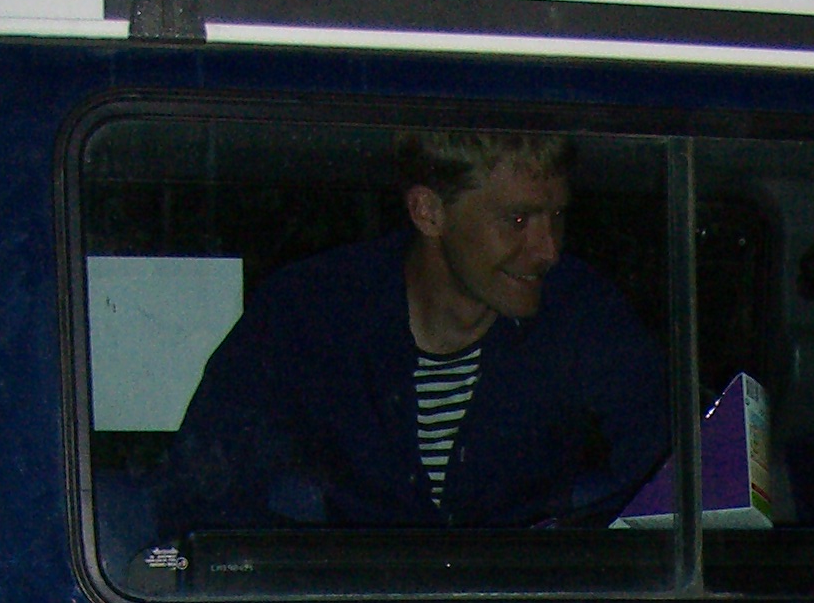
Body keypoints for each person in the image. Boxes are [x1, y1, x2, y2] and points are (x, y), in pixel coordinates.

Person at [156, 129, 669, 543]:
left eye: (556, 217)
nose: (548, 249)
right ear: (429, 212)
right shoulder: (312, 311)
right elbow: (202, 500)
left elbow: (676, 479)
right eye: (517, 220)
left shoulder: (582, 313)